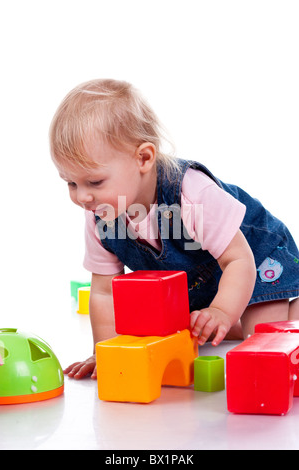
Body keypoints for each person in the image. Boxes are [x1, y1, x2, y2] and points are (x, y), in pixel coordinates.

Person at [49, 78, 299, 380]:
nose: (81, 197)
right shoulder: (101, 215)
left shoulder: (191, 193)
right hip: (203, 280)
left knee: (265, 343)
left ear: (143, 158)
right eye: (71, 183)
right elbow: (104, 293)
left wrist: (221, 310)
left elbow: (238, 259)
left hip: (256, 258)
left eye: (95, 182)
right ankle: (233, 317)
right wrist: (105, 350)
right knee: (204, 325)